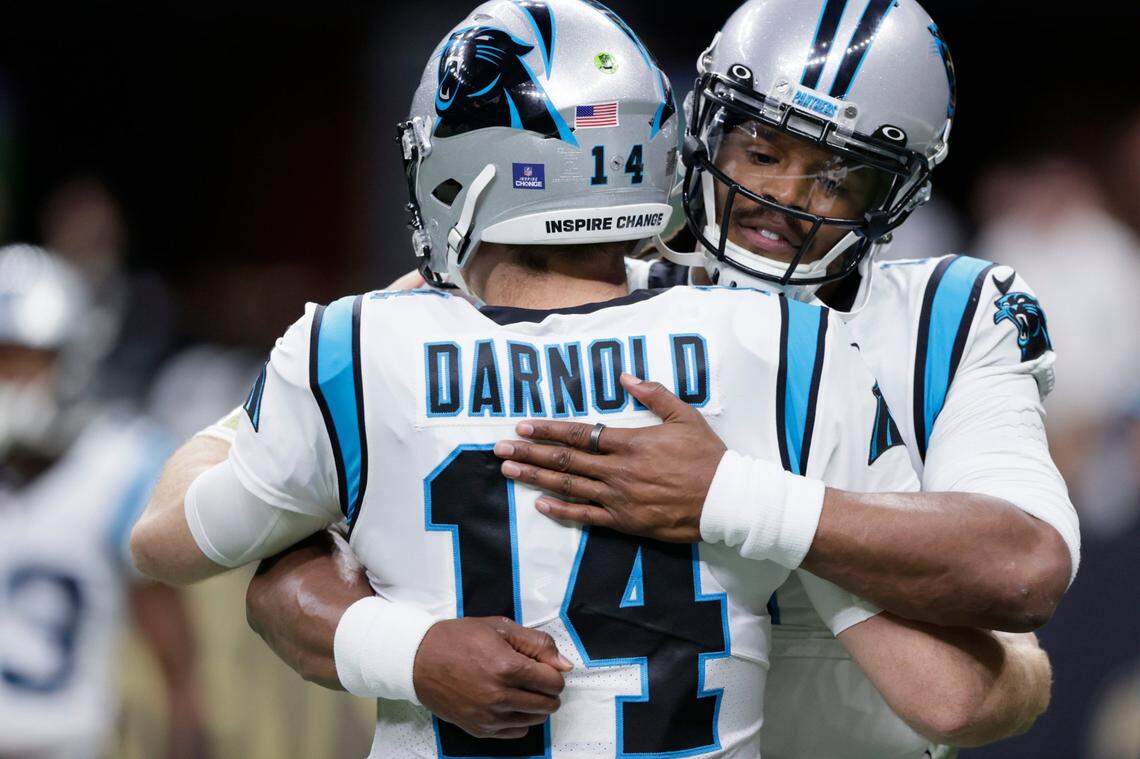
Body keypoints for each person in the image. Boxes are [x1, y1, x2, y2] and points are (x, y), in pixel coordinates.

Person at [131, 1, 1048, 756]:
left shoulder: (358, 343)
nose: (782, 198)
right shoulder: (782, 346)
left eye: (838, 177)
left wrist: (730, 497)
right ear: (689, 133)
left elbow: (181, 542)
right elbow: (955, 690)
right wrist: (411, 649)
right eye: (762, 151)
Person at [0, 245, 208, 759]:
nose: (9, 380)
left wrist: (185, 723)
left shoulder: (116, 467)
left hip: (65, 743)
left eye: (25, 359)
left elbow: (170, 644)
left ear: (72, 360)